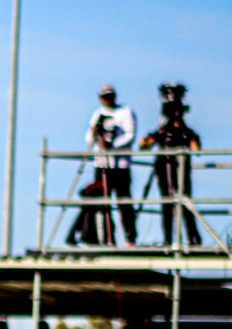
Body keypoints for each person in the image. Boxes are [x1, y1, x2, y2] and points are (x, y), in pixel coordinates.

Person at [140, 83, 203, 247]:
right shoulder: (162, 131)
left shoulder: (186, 132)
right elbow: (143, 145)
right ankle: (168, 239)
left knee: (185, 203)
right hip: (164, 168)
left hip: (181, 170)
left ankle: (193, 238)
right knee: (167, 204)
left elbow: (197, 148)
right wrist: (158, 133)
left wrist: (183, 130)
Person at [86, 84, 139, 246]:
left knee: (124, 202)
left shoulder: (125, 112)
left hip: (120, 166)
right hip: (102, 165)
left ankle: (130, 238)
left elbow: (130, 135)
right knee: (103, 202)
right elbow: (89, 139)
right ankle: (108, 237)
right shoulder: (98, 114)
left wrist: (114, 145)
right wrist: (96, 132)